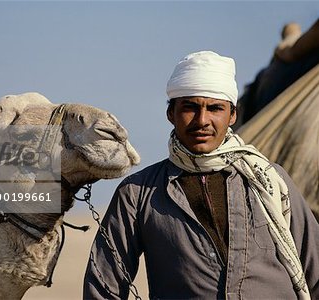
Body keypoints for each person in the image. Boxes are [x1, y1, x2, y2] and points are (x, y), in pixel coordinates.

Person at [83, 51, 319, 299]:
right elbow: (103, 287)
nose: (202, 120)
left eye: (215, 108)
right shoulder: (137, 193)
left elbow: (315, 270)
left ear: (232, 115)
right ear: (170, 113)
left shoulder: (270, 180)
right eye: (190, 108)